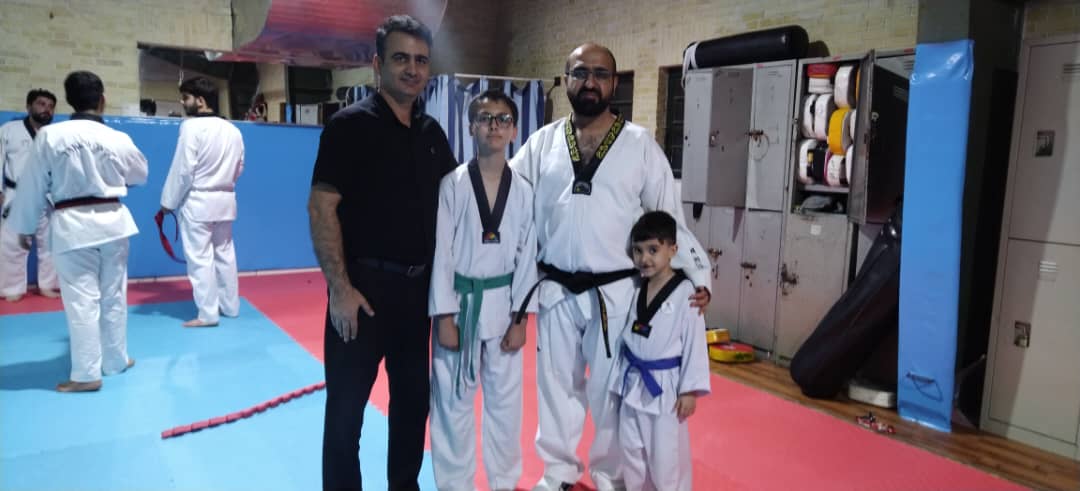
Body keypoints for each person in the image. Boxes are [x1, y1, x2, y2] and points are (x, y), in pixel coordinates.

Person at [509, 43, 712, 491]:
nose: (591, 82)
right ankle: (558, 472)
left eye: (601, 74)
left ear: (614, 83)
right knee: (555, 389)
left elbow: (668, 218)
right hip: (555, 287)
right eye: (581, 73)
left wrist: (698, 277)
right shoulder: (541, 143)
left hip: (616, 293)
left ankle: (608, 475)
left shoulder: (640, 145)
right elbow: (510, 201)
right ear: (566, 80)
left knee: (609, 393)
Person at [307, 15, 456, 491]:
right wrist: (340, 289)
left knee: (412, 406)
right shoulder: (349, 127)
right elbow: (322, 207)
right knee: (346, 413)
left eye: (421, 60)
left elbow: (457, 208)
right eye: (401, 59)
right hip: (363, 293)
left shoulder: (432, 135)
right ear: (378, 64)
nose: (412, 69)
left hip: (416, 294)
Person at [8, 70, 148, 392]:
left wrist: (23, 227)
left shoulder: (50, 136)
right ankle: (115, 360)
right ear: (102, 100)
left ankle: (86, 374)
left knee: (82, 300)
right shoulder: (118, 137)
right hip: (113, 221)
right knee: (114, 295)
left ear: (69, 101)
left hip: (73, 226)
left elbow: (32, 185)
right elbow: (140, 174)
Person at [429, 90, 537, 491]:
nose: (494, 125)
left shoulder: (523, 189)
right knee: (452, 403)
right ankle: (454, 485)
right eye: (485, 118)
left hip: (505, 307)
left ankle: (504, 483)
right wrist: (443, 316)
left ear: (514, 130)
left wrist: (521, 319)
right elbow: (441, 253)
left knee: (506, 407)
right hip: (459, 306)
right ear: (470, 127)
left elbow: (528, 255)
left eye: (503, 118)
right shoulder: (453, 185)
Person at [610, 211, 710, 491]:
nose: (645, 258)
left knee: (665, 458)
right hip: (633, 384)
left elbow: (694, 343)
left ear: (673, 250)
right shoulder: (636, 287)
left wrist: (690, 390)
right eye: (638, 251)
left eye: (653, 250)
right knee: (632, 452)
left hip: (665, 390)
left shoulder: (687, 293)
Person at [160, 76, 245, 328]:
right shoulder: (233, 130)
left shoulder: (191, 127)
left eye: (185, 98)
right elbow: (239, 166)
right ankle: (230, 306)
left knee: (200, 258)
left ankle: (208, 314)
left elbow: (183, 169)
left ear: (200, 100)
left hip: (198, 201)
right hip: (225, 199)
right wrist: (224, 182)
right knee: (225, 254)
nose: (182, 102)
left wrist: (168, 202)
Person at [0, 88, 60, 302]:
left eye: (51, 106)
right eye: (41, 104)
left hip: (48, 195)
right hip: (17, 194)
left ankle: (48, 285)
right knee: (13, 243)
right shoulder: (9, 130)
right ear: (28, 106)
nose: (46, 109)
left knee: (50, 243)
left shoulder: (55, 135)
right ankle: (11, 288)